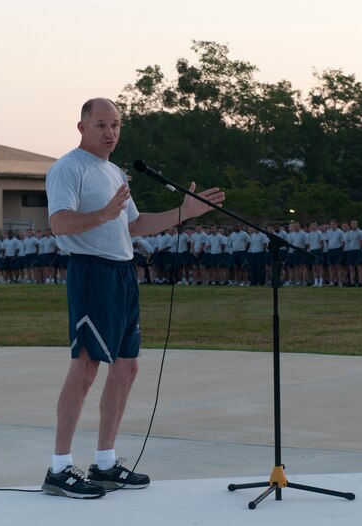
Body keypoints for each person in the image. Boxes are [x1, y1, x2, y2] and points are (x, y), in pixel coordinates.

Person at [41, 97, 225, 499]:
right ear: (82, 127)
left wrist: (183, 212)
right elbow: (59, 223)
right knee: (87, 366)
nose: (110, 133)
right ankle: (59, 467)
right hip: (91, 271)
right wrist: (103, 215)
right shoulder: (68, 168)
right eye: (102, 125)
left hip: (123, 271)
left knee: (127, 368)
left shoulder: (114, 173)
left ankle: (105, 463)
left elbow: (136, 225)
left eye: (116, 126)